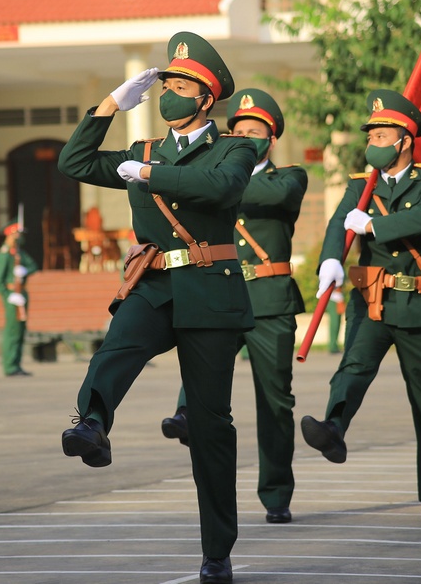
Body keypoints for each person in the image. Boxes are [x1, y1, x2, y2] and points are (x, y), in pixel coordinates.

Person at [57, 31, 256, 584]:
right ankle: (92, 422)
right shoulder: (141, 147)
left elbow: (217, 188)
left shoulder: (235, 147)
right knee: (118, 346)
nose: (170, 90)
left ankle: (217, 550)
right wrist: (108, 108)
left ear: (206, 99)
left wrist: (148, 175)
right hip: (154, 285)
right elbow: (74, 163)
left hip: (211, 290)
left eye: (182, 84)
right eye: (166, 81)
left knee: (211, 427)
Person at [301, 89, 421, 526]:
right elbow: (339, 222)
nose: (373, 140)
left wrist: (374, 224)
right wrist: (331, 258)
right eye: (371, 132)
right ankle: (334, 428)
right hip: (371, 297)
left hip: (417, 299)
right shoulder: (361, 182)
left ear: (405, 140)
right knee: (353, 366)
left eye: (383, 132)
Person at [159, 88, 308, 525]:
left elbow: (268, 196)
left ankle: (276, 493)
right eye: (238, 131)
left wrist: (216, 183)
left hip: (268, 301)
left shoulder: (290, 177)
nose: (246, 137)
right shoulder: (215, 173)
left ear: (271, 139)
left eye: (255, 132)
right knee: (203, 379)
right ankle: (186, 413)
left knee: (275, 402)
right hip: (223, 294)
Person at [0, 220, 37, 377]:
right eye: (17, 233)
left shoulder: (19, 253)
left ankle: (16, 363)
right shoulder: (4, 255)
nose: (20, 236)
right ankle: (10, 366)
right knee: (12, 331)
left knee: (20, 331)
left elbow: (33, 266)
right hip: (12, 296)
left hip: (22, 293)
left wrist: (24, 270)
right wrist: (8, 295)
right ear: (10, 235)